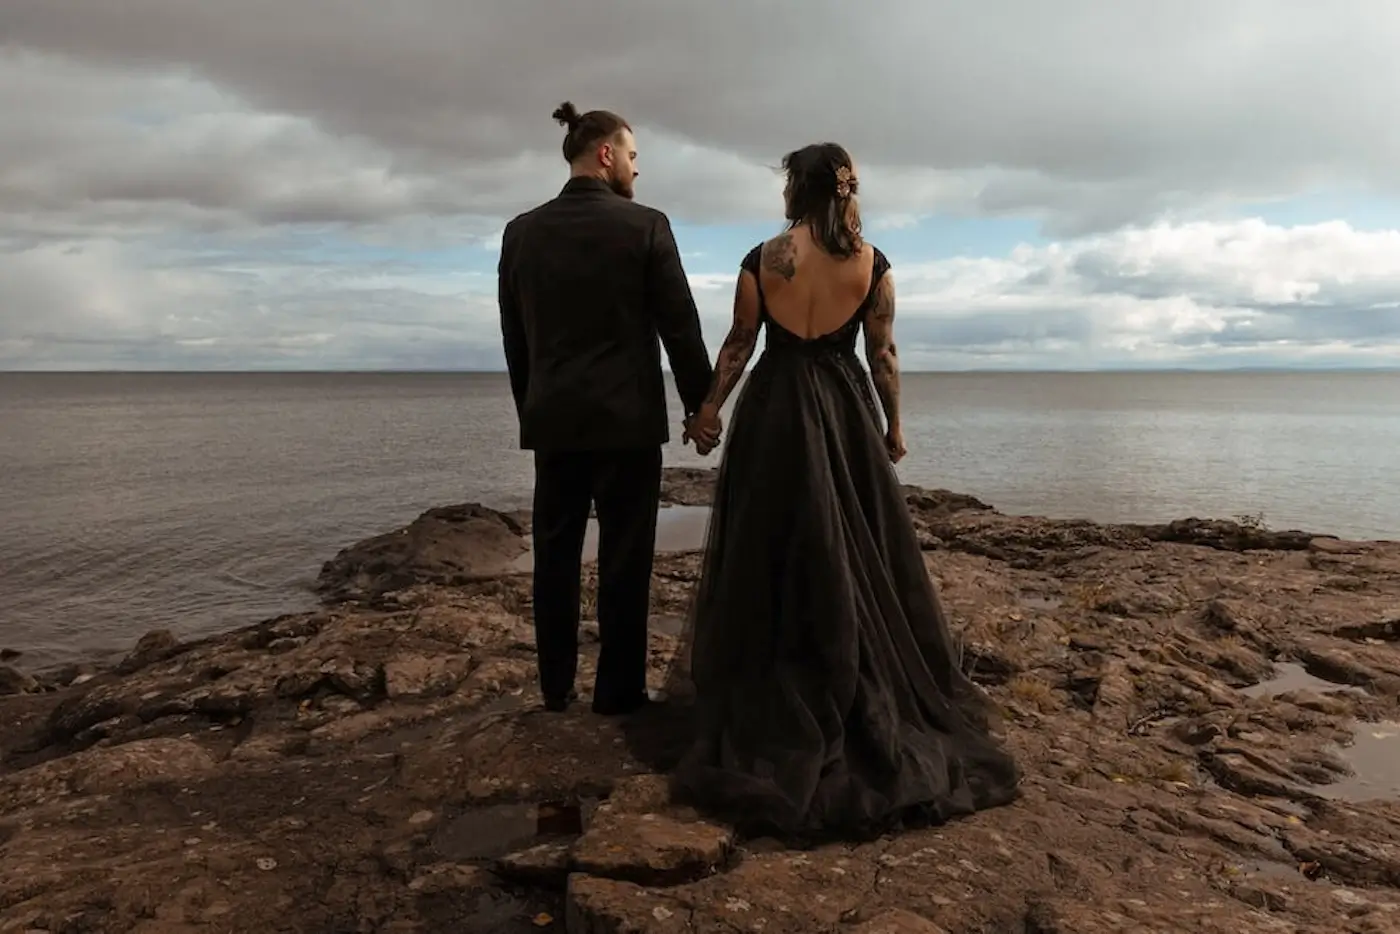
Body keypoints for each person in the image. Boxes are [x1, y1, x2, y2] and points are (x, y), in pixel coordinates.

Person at [666, 143, 1021, 840]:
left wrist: (709, 410)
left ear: (795, 190)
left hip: (774, 412)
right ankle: (850, 671)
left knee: (772, 546)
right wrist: (893, 424)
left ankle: (778, 679)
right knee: (854, 550)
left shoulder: (763, 258)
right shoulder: (872, 263)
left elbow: (741, 342)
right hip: (842, 408)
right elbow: (882, 353)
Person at [497, 101, 713, 716]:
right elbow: (681, 328)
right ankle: (617, 692)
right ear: (606, 153)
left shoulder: (522, 231)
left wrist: (532, 409)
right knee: (625, 560)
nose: (638, 171)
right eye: (634, 156)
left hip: (555, 424)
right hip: (627, 426)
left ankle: (556, 688)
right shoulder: (647, 226)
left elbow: (517, 338)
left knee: (554, 560)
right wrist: (700, 408)